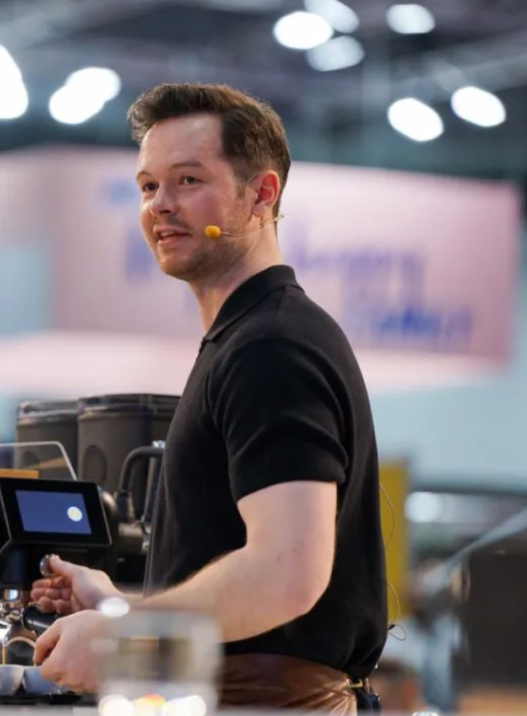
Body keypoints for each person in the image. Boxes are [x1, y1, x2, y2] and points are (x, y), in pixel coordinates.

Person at [30, 83, 387, 713]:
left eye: (188, 180)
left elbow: (284, 575)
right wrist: (121, 606)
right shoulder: (245, 339)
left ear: (262, 194)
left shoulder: (271, 346)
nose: (161, 205)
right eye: (148, 186)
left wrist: (121, 635)